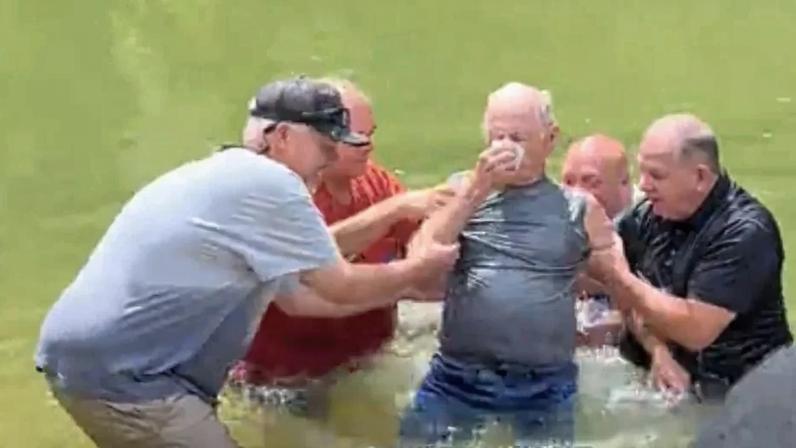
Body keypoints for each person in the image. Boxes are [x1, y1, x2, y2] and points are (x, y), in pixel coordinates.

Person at [33, 76, 460, 448]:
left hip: (92, 362)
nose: (333, 159)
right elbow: (339, 284)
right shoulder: (273, 184)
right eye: (325, 146)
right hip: (129, 378)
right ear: (282, 137)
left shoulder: (229, 175)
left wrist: (411, 288)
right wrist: (418, 267)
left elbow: (301, 300)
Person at [398, 82, 616, 446]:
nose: (505, 147)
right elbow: (417, 258)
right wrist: (475, 192)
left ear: (550, 138)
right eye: (497, 137)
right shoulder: (461, 192)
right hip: (457, 376)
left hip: (545, 383)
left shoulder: (579, 208)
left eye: (517, 138)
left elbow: (620, 280)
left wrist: (657, 350)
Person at [229, 79, 452, 414]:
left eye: (370, 135)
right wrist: (397, 222)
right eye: (353, 137)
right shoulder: (274, 195)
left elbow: (425, 244)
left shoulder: (375, 181)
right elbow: (305, 265)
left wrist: (468, 199)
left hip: (366, 357)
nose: (367, 146)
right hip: (283, 379)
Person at [591, 113, 793, 401]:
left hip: (743, 396)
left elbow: (695, 330)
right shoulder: (646, 215)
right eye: (642, 172)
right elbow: (627, 295)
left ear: (700, 177)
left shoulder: (745, 233)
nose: (643, 185)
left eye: (656, 175)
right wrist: (657, 350)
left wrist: (618, 275)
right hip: (669, 381)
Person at [561, 134, 633, 347]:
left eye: (591, 183)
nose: (577, 194)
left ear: (624, 184)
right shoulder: (551, 222)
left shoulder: (647, 227)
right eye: (568, 182)